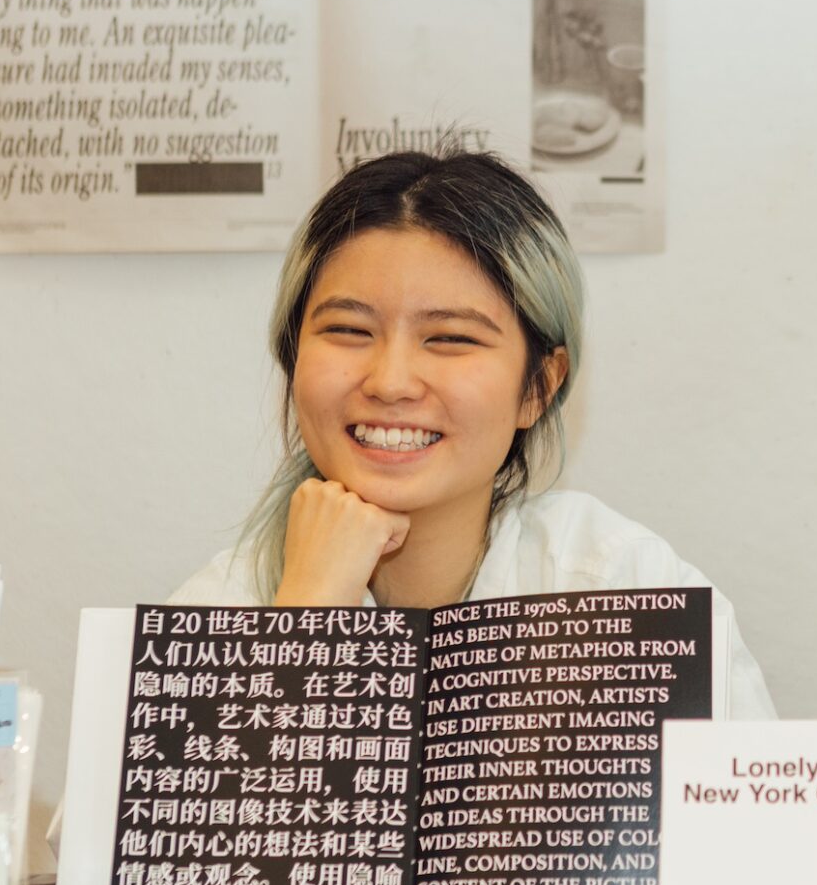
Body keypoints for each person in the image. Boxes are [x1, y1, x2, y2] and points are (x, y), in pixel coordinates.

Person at [171, 148, 776, 719]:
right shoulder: (218, 608)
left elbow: (755, 827)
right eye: (350, 330)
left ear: (538, 386)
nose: (390, 382)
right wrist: (307, 620)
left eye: (451, 338)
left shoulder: (621, 585)